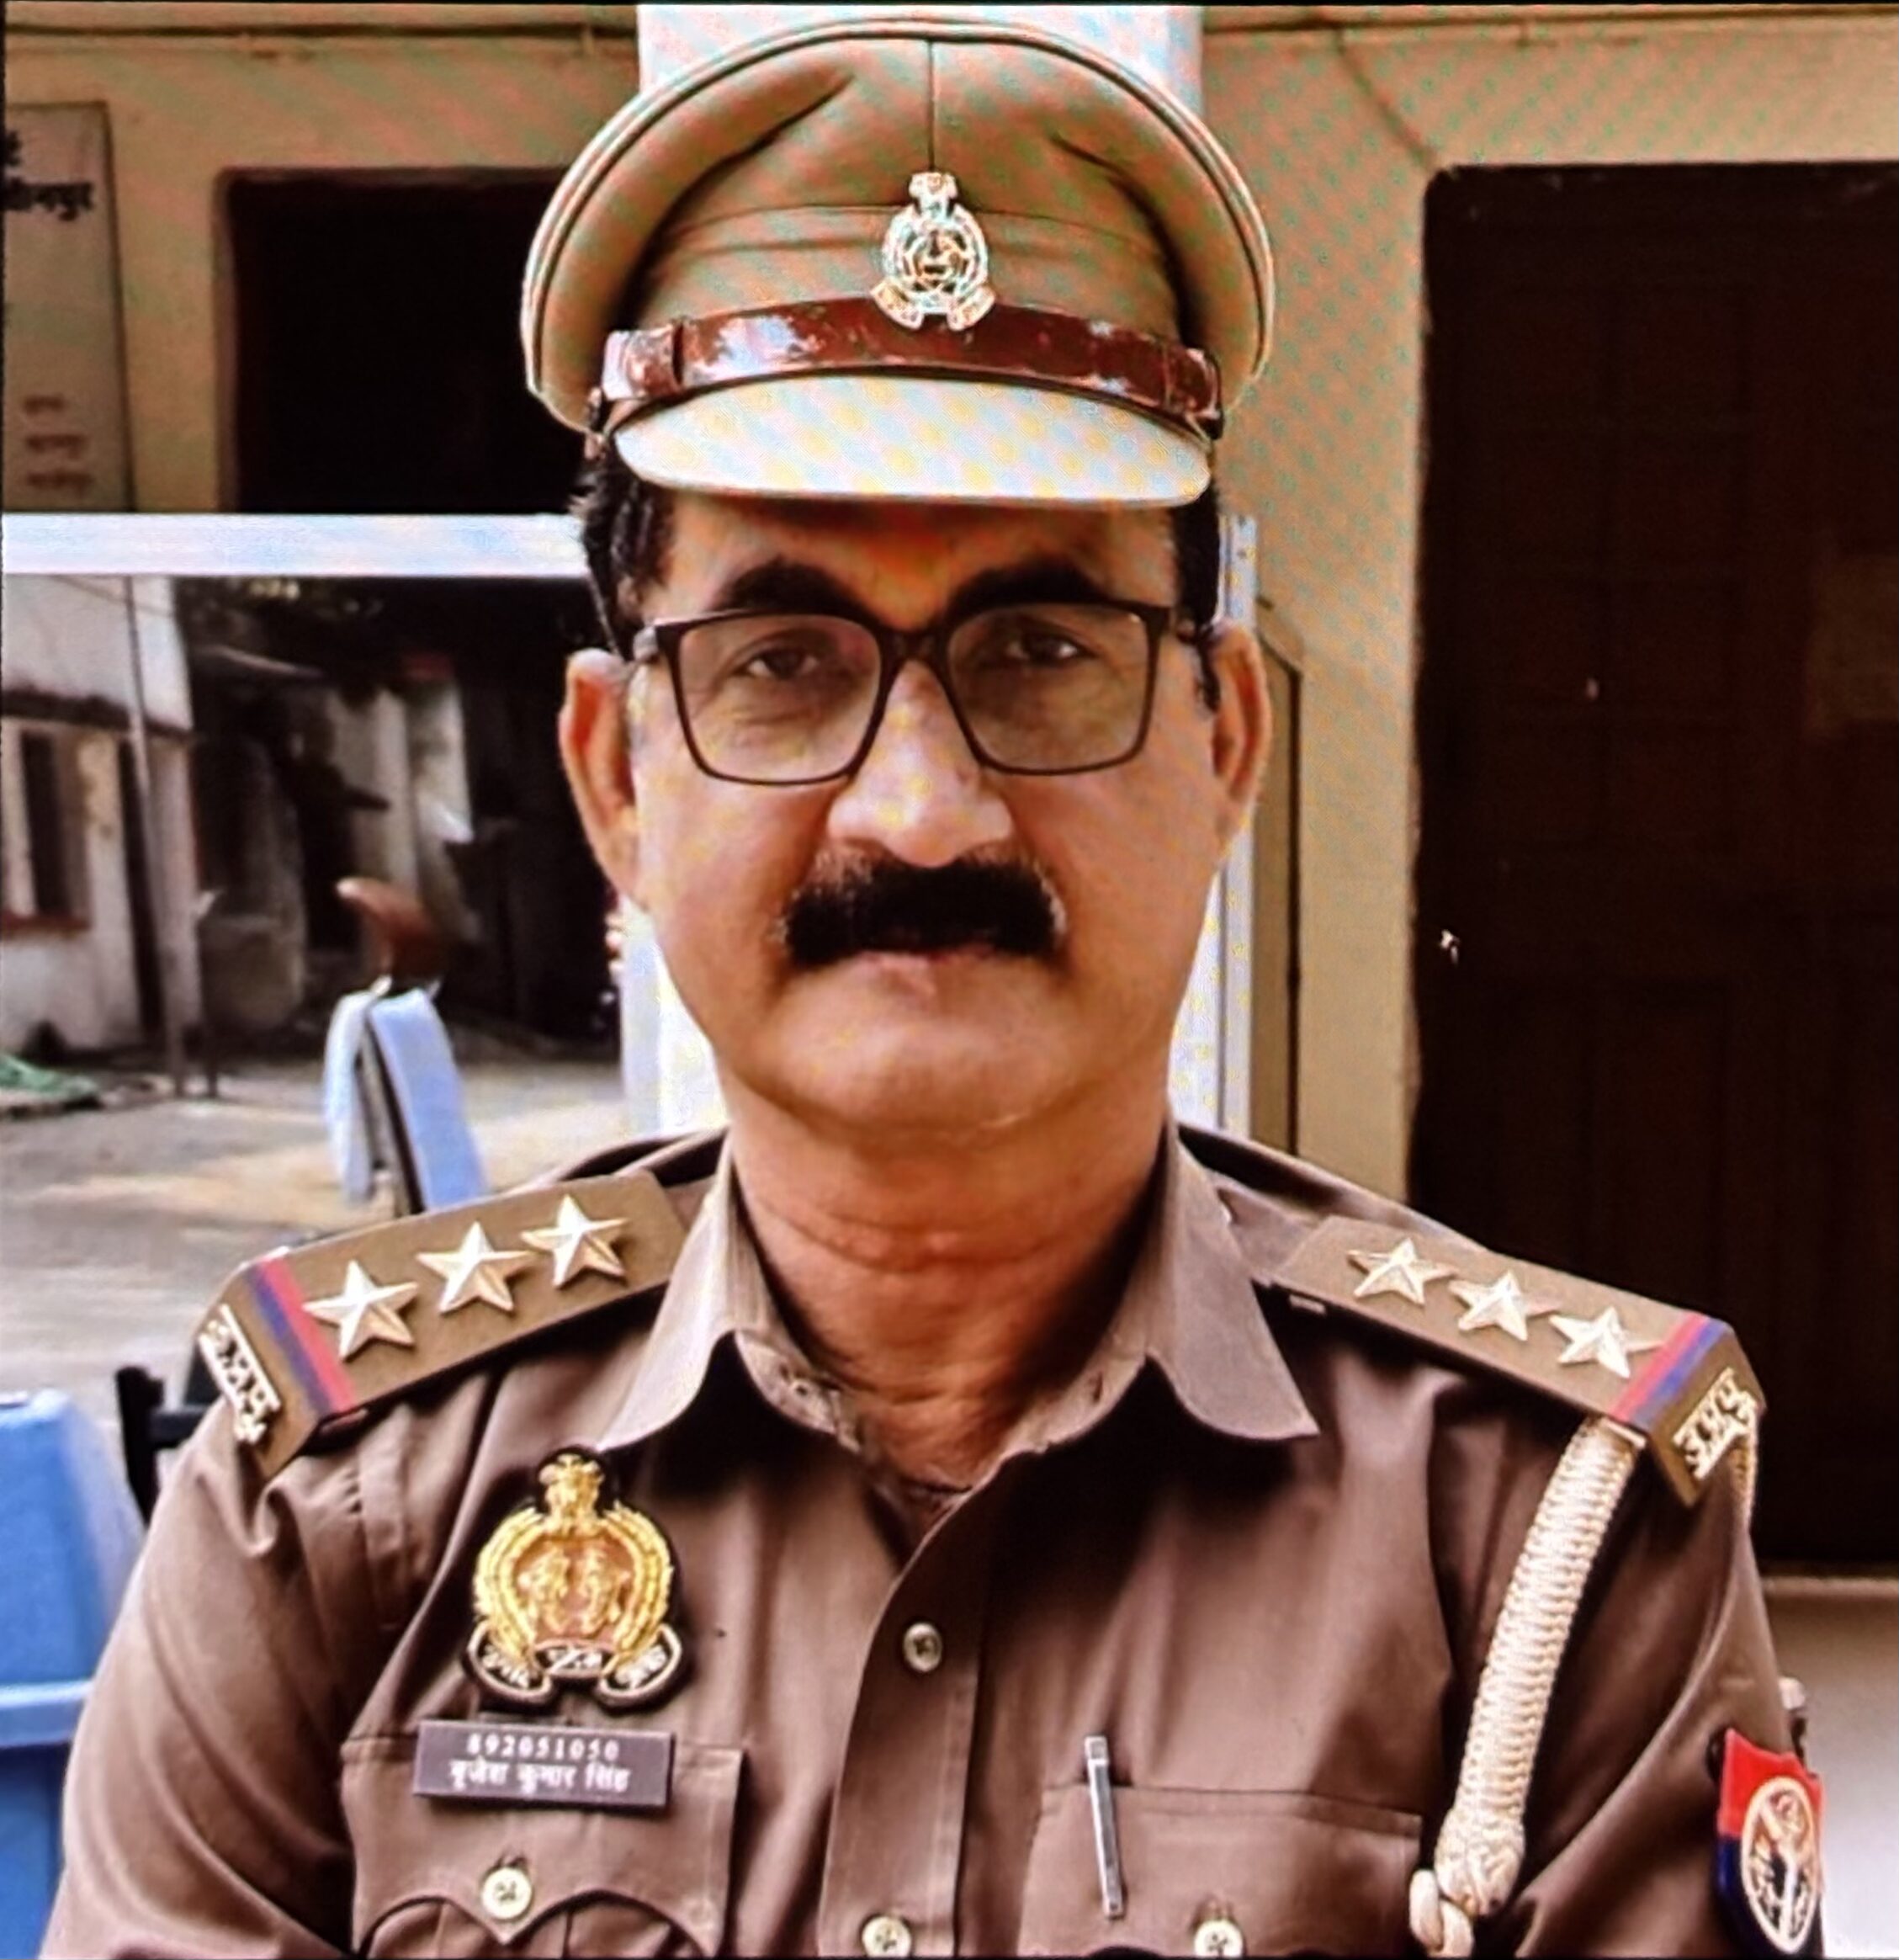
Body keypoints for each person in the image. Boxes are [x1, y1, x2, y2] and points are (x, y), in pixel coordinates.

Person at [45, 15, 1817, 1958]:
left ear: (1224, 739)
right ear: (616, 776)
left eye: (1040, 649)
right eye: (780, 661)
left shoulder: (1549, 1528)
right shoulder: (333, 1497)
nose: (921, 811)